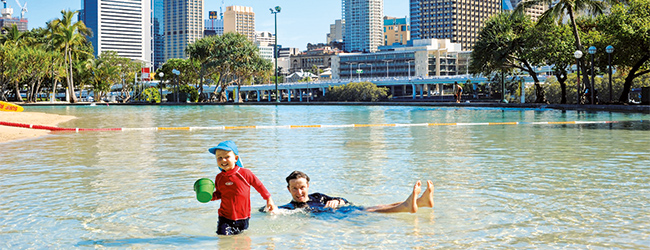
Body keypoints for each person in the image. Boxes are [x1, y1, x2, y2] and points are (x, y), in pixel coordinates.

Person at [271, 171, 434, 214]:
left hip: (345, 209)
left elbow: (342, 199)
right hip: (342, 217)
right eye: (294, 189)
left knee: (376, 206)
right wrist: (270, 207)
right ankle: (408, 205)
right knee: (372, 210)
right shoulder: (290, 207)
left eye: (302, 187)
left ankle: (421, 202)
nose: (299, 192)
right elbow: (272, 211)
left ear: (308, 185)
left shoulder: (317, 196)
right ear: (289, 189)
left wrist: (339, 201)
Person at [208, 140, 277, 235]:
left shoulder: (245, 173)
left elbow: (259, 186)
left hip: (243, 217)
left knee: (240, 240)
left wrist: (268, 199)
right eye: (219, 158)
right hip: (224, 216)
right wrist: (210, 196)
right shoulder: (219, 178)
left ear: (236, 158)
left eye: (227, 157)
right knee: (223, 237)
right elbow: (220, 193)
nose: (223, 160)